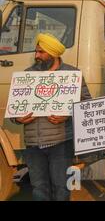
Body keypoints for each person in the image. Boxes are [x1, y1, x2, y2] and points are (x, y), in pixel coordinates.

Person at [13, 33, 91, 201]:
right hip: (33, 144)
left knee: (62, 188)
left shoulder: (72, 74)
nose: (36, 56)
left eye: (41, 52)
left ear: (54, 53)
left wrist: (67, 116)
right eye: (36, 51)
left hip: (61, 143)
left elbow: (86, 106)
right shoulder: (27, 75)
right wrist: (17, 119)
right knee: (39, 189)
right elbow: (15, 109)